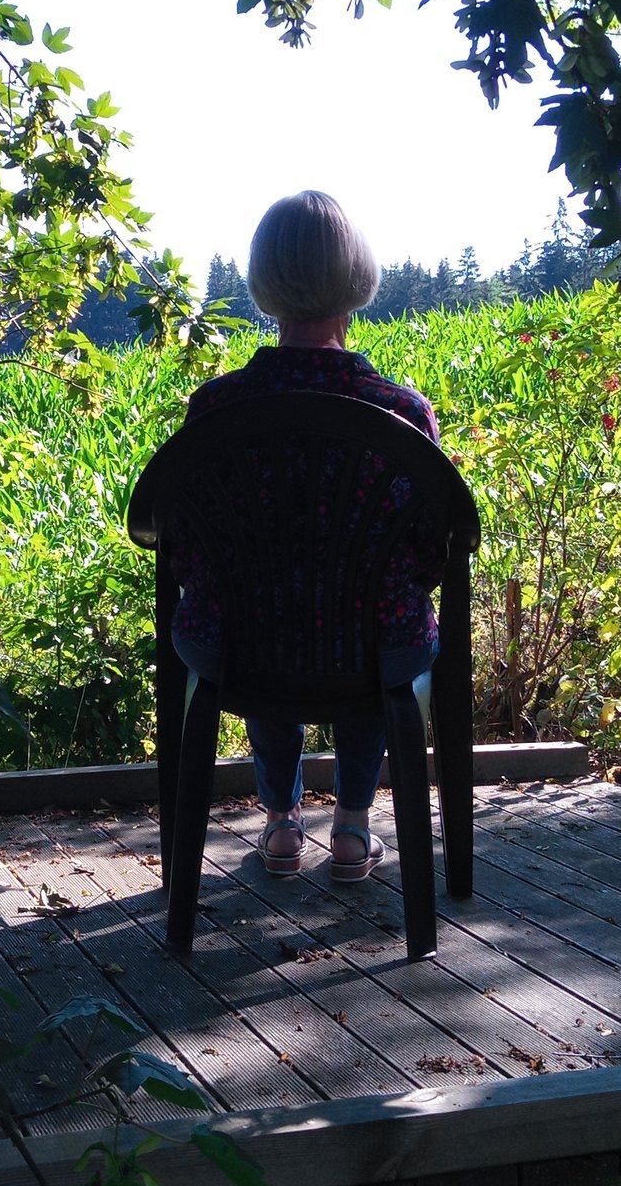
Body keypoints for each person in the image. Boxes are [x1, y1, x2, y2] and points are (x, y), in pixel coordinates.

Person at [170, 191, 443, 882]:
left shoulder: (216, 409)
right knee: (378, 631)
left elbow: (181, 545)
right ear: (357, 276)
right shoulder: (402, 413)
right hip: (376, 649)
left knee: (262, 621)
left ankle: (281, 822)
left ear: (264, 280)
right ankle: (351, 827)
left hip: (238, 646)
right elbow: (430, 551)